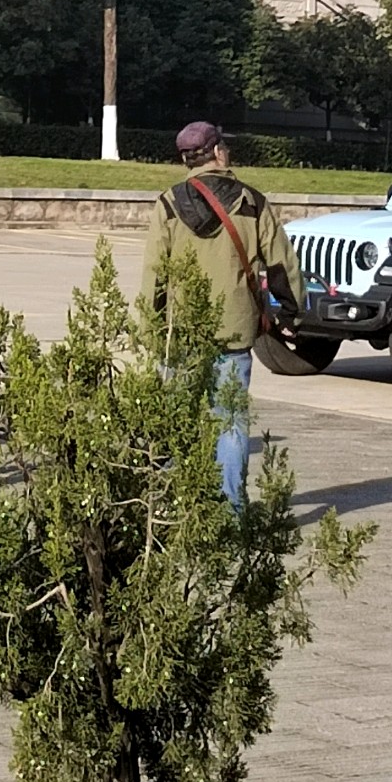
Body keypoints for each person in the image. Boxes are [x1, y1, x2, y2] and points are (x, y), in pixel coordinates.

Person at [144, 119, 303, 507]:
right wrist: (292, 315)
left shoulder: (168, 204)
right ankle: (232, 513)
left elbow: (154, 275)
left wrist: (151, 330)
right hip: (234, 331)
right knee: (230, 421)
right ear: (217, 152)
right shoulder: (252, 203)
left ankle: (171, 506)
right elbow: (282, 265)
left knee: (175, 420)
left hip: (182, 333)